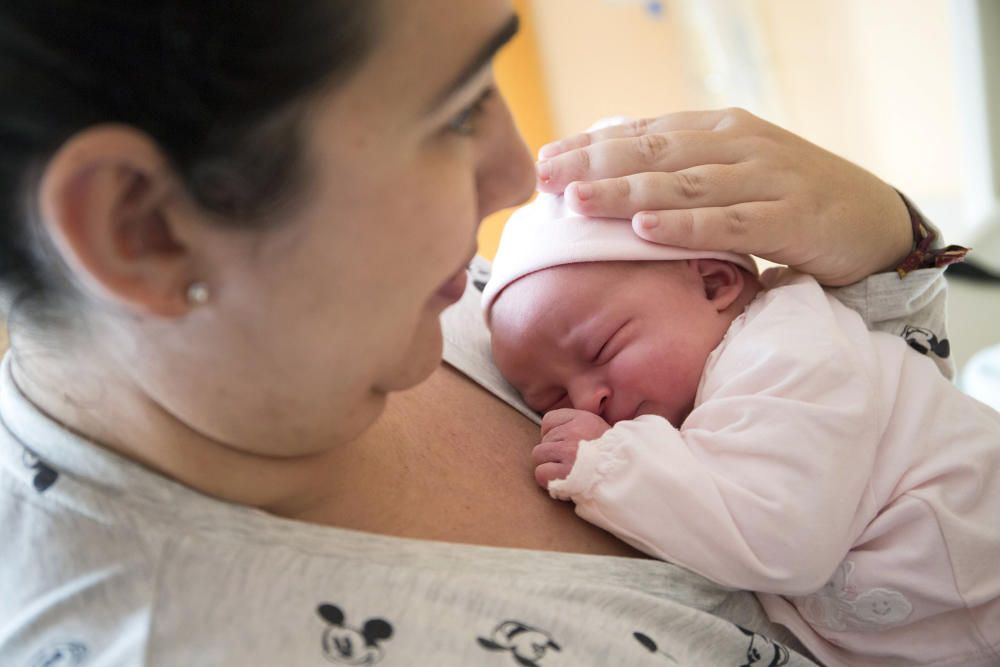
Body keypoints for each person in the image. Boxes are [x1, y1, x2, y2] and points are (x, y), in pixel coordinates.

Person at [0, 1, 962, 664]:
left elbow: (882, 449)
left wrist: (883, 245)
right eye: (453, 111)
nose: (517, 171)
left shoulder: (438, 295)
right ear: (143, 226)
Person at [482, 192, 1000, 667]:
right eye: (548, 398)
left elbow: (779, 541)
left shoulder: (785, 355)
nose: (584, 400)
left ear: (714, 285)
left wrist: (609, 465)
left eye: (601, 350)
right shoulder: (719, 377)